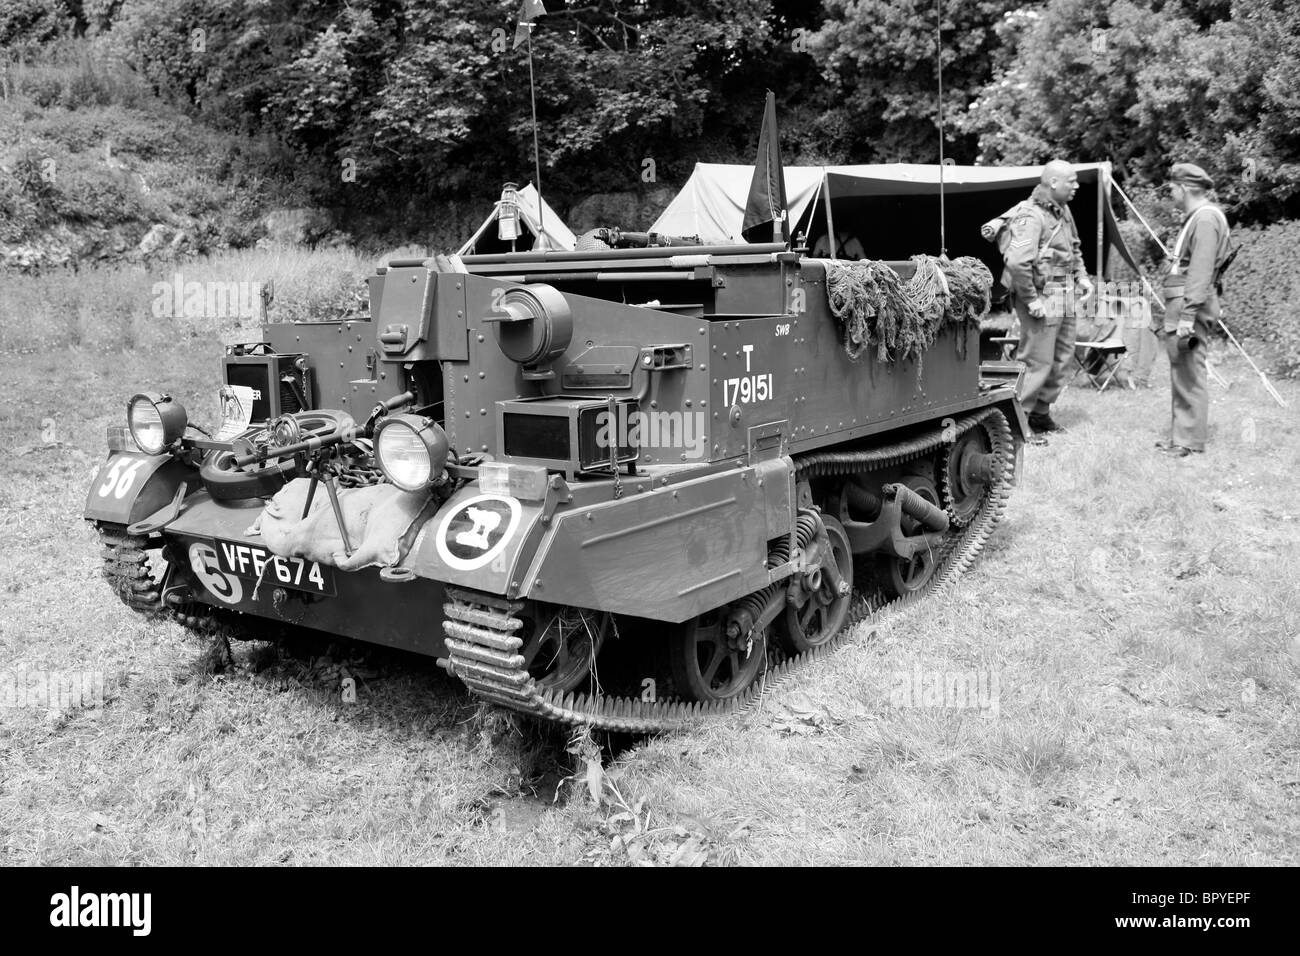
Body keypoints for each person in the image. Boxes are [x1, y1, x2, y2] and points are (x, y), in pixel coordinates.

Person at [1002, 160, 1094, 436]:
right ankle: (1019, 422)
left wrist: (1083, 277)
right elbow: (1018, 263)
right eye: (1072, 181)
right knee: (1037, 362)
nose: (1077, 186)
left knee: (1062, 359)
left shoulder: (1064, 212)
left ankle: (1041, 415)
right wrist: (1031, 300)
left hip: (1064, 294)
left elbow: (1074, 249)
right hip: (1041, 297)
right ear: (1053, 182)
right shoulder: (1030, 216)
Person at [1155, 162, 1231, 458]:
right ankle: (1181, 437)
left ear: (1184, 188)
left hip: (1191, 306)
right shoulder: (1199, 217)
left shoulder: (1205, 219)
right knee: (1182, 371)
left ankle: (1188, 441)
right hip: (1185, 303)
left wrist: (1187, 315)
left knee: (1190, 372)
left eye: (1172, 187)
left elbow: (1199, 271)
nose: (1171, 192)